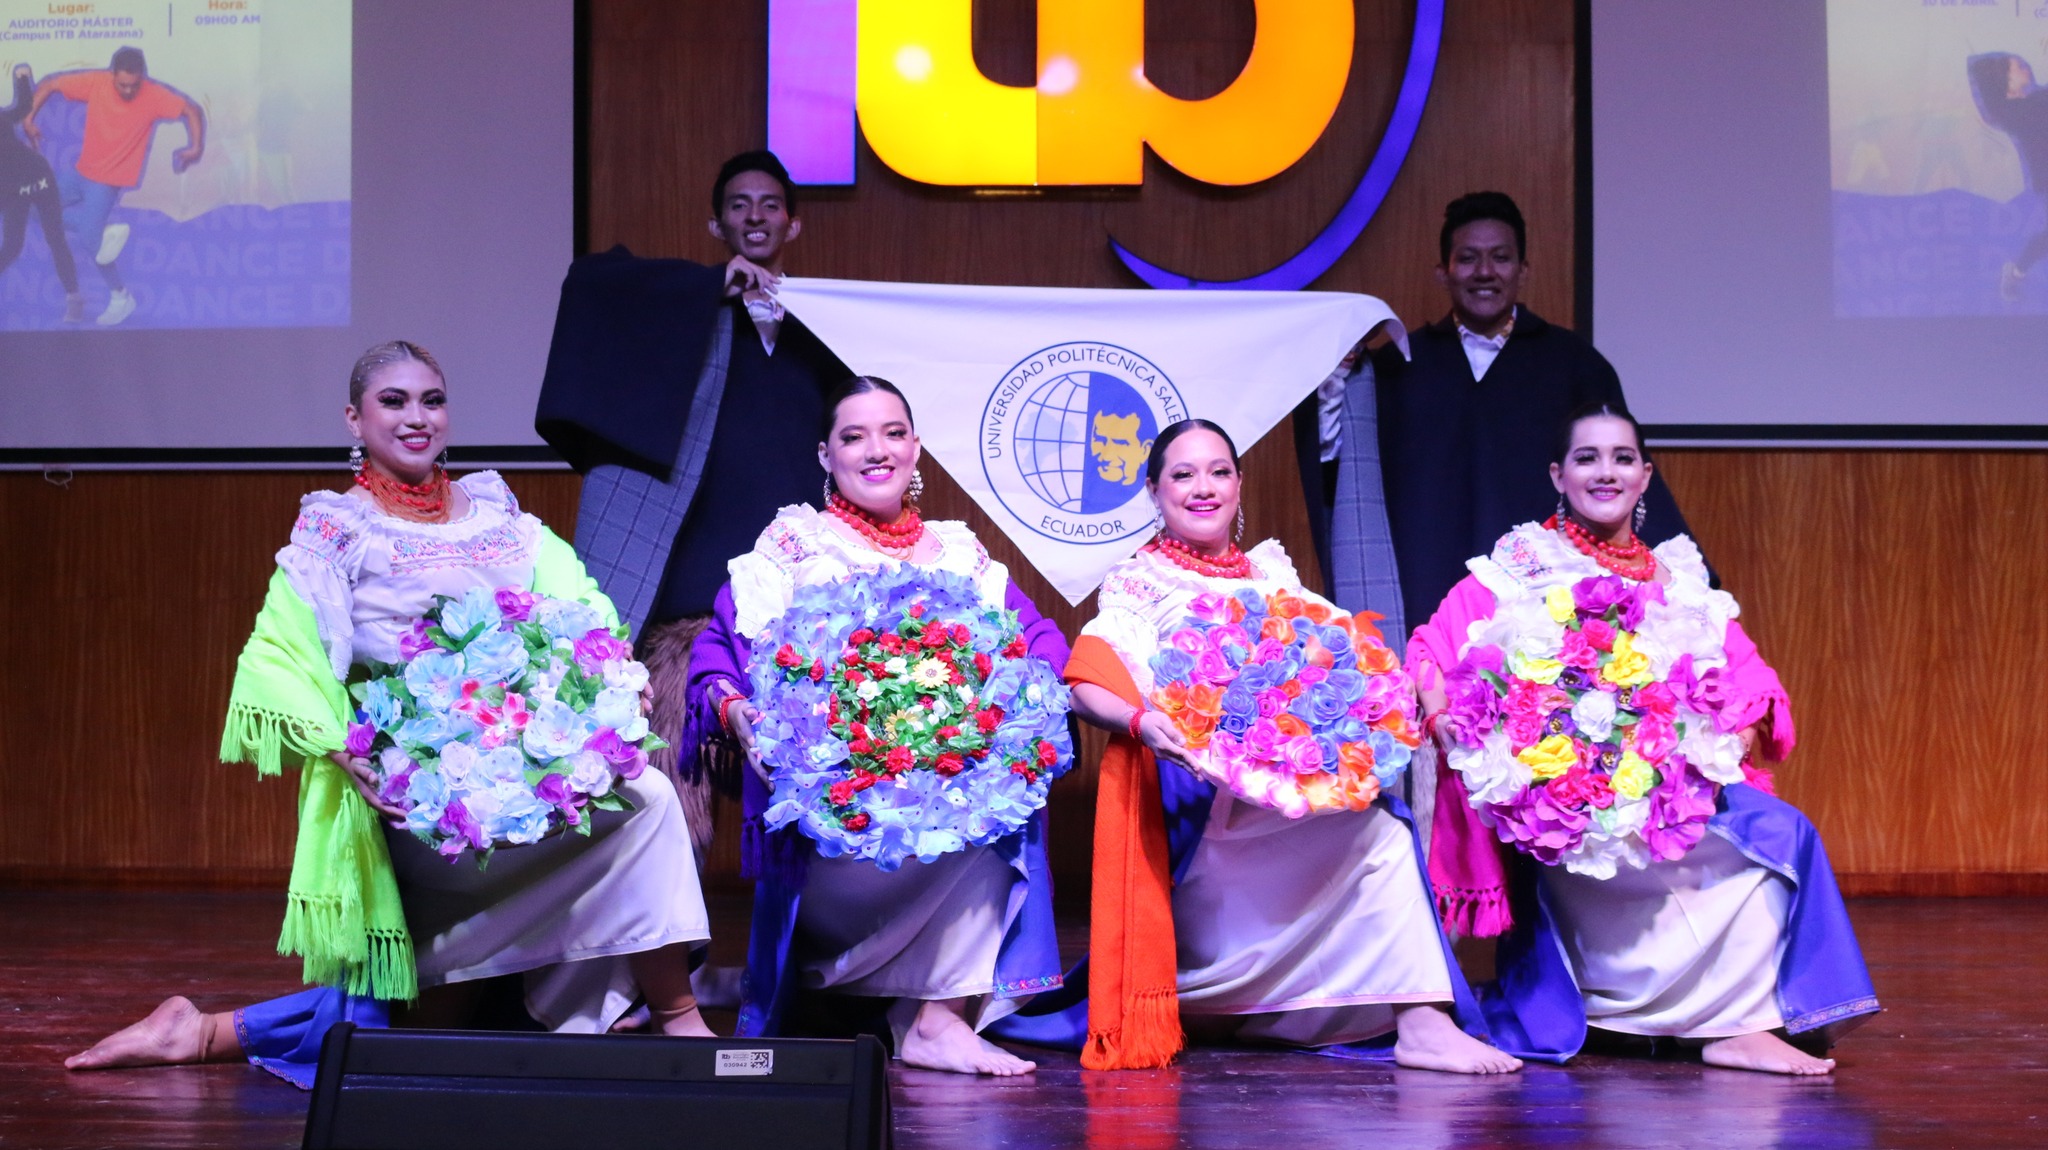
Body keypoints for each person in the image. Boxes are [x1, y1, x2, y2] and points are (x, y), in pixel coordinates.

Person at [65, 341, 713, 1087]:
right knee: (430, 1028)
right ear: (354, 417)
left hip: (533, 774)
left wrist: (619, 676)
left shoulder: (498, 516)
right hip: (426, 797)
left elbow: (583, 604)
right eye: (394, 401)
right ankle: (210, 1032)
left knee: (648, 796)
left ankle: (677, 1016)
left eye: (431, 400)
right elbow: (277, 655)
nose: (417, 417)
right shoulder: (339, 529)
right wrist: (346, 749)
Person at [1409, 403, 1879, 1074]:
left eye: (1622, 458)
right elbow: (1432, 644)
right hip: (1566, 804)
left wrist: (1740, 724)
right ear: (1558, 475)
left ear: (1646, 476)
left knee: (1781, 829)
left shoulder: (1678, 579)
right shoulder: (1525, 564)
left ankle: (1739, 1023)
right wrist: (1443, 710)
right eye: (1588, 458)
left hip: (1670, 789)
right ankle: (1694, 1016)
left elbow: (1751, 677)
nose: (1606, 472)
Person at [1054, 418, 1523, 1074]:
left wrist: (1387, 701)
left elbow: (1342, 657)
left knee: (1383, 833)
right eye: (1182, 475)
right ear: (1154, 492)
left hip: (1288, 795)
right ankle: (1223, 992)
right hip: (1207, 811)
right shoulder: (1140, 584)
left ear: (1240, 484)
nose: (1202, 488)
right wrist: (1137, 721)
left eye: (1218, 472)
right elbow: (1086, 679)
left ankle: (1421, 1024)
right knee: (1372, 833)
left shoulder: (1272, 573)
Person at [682, 377, 1065, 1076]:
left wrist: (1024, 697)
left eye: (893, 433)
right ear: (825, 455)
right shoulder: (795, 544)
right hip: (842, 814)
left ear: (916, 450)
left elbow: (1038, 636)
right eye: (854, 437)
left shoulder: (958, 551)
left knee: (1012, 793)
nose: (876, 450)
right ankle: (850, 975)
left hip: (949, 792)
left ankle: (938, 1022)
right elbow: (718, 651)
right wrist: (737, 710)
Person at [534, 149, 848, 861]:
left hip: (792, 576)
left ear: (792, 225)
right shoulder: (686, 313)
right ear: (717, 223)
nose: (756, 216)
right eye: (739, 204)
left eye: (770, 204)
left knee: (804, 776)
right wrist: (705, 289)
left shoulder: (828, 326)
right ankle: (677, 948)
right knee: (677, 776)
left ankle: (805, 944)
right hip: (695, 577)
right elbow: (594, 279)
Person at [1314, 192, 1694, 650]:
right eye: (1468, 258)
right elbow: (1344, 461)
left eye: (1501, 258)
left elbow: (1620, 482)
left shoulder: (1573, 365)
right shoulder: (1399, 365)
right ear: (1444, 271)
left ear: (1523, 270)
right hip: (1423, 585)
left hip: (1543, 602)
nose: (1485, 272)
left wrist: (1687, 591)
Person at [22, 46, 205, 326]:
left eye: (134, 85)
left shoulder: (154, 96)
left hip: (105, 184)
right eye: (123, 84)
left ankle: (121, 296)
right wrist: (27, 118)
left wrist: (195, 146)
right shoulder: (97, 82)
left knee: (89, 240)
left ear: (142, 77)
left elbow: (191, 110)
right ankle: (96, 229)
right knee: (33, 204)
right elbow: (50, 85)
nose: (129, 91)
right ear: (112, 75)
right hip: (80, 173)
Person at [1, 64, 82, 322]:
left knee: (55, 237)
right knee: (13, 246)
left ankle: (74, 298)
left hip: (37, 178)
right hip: (12, 187)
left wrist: (21, 78)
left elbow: (22, 108)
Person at [1969, 53, 2048, 302]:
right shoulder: (2013, 111)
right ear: (2005, 81)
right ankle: (2016, 271)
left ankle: (2016, 271)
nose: (2028, 69)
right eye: (2020, 67)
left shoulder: (2036, 100)